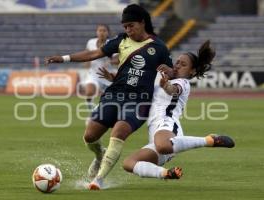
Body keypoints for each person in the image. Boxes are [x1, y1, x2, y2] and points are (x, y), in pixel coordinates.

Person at [44, 4, 173, 190]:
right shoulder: (121, 40)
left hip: (140, 100)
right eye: (125, 26)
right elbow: (94, 53)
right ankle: (99, 155)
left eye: (131, 25)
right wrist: (64, 58)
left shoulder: (159, 47)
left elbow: (173, 72)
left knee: (118, 133)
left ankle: (99, 179)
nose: (128, 30)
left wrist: (169, 72)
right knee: (89, 136)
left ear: (142, 22)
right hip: (114, 95)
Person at [117, 40, 234, 180]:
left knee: (162, 146)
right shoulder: (164, 78)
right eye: (177, 62)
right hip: (158, 135)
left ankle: (209, 140)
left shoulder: (183, 82)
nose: (178, 66)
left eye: (183, 64)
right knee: (128, 163)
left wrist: (166, 85)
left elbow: (174, 90)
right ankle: (166, 173)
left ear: (192, 71)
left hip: (168, 126)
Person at [82, 24, 117, 122]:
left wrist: (110, 61)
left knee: (110, 101)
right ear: (96, 32)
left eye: (104, 31)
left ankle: (100, 114)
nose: (101, 33)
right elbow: (87, 53)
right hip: (93, 74)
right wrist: (86, 62)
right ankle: (92, 114)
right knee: (89, 92)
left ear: (108, 33)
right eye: (99, 30)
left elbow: (118, 59)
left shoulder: (112, 43)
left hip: (108, 76)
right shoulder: (91, 42)